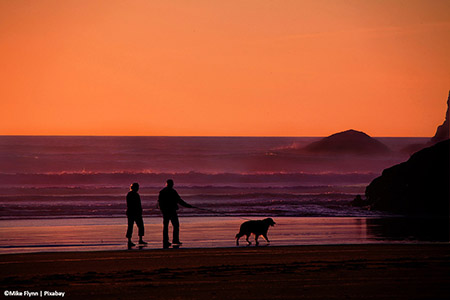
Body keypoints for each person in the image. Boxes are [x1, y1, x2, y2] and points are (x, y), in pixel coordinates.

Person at [158, 179, 193, 248]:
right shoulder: (172, 191)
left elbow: (160, 202)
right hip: (171, 211)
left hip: (166, 211)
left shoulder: (162, 191)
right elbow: (179, 200)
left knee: (166, 227)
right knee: (175, 225)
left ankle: (166, 241)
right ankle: (175, 240)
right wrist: (187, 205)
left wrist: (162, 209)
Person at [126, 182, 147, 247]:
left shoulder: (130, 194)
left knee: (131, 226)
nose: (138, 189)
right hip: (135, 212)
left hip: (131, 212)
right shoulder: (134, 195)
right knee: (139, 226)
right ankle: (138, 240)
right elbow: (136, 204)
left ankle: (131, 240)